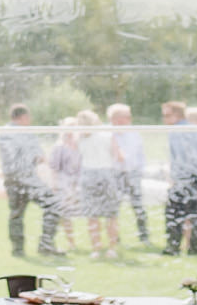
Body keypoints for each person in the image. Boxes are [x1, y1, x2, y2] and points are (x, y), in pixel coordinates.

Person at [0, 104, 60, 258]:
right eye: (29, 117)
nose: (30, 120)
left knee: (16, 214)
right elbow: (37, 156)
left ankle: (18, 250)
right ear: (23, 117)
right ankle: (45, 245)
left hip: (13, 179)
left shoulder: (3, 134)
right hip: (26, 179)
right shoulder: (23, 133)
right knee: (53, 204)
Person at [166, 104, 197, 256]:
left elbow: (179, 157)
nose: (164, 119)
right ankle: (193, 247)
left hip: (186, 176)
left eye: (167, 115)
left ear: (177, 114)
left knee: (175, 213)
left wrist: (174, 176)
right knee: (194, 214)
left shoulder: (178, 131)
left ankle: (173, 247)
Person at [75, 109, 121, 258]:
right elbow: (118, 156)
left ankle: (96, 249)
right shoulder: (107, 134)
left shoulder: (79, 137)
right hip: (106, 173)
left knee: (92, 215)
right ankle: (112, 248)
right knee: (111, 215)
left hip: (88, 175)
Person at [107, 103, 151, 247]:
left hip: (132, 174)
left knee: (138, 207)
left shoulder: (133, 134)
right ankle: (115, 239)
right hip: (114, 174)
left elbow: (140, 155)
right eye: (123, 117)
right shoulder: (106, 133)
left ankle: (144, 237)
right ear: (114, 118)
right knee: (113, 208)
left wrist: (139, 172)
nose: (127, 120)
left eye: (128, 117)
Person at [49, 118, 84, 254]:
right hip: (64, 184)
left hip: (79, 183)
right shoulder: (59, 147)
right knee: (64, 215)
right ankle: (70, 242)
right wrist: (55, 185)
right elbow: (54, 168)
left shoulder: (80, 145)